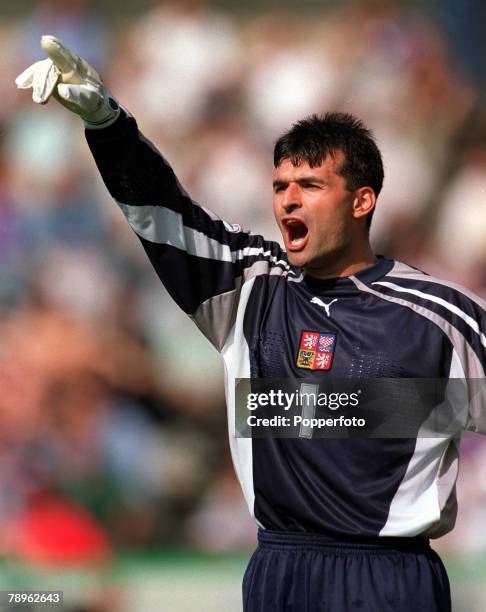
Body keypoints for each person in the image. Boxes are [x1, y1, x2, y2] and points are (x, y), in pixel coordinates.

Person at [16, 36, 486, 612]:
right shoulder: (249, 290)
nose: (288, 202)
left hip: (388, 579)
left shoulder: (441, 316)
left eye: (310, 186)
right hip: (277, 573)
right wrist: (107, 124)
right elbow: (164, 214)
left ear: (362, 201)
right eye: (280, 187)